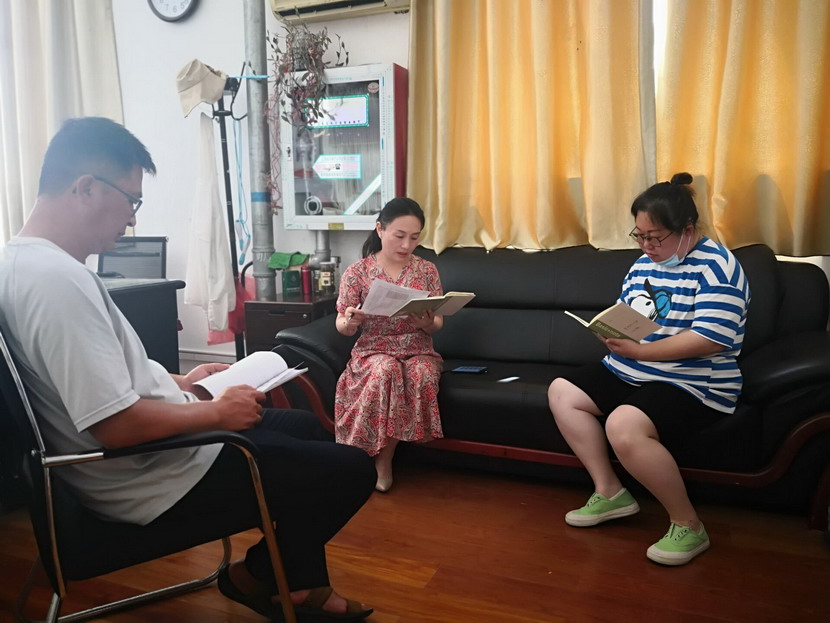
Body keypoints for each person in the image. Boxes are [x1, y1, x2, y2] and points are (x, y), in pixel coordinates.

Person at [0, 117, 376, 621]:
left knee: (306, 429)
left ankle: (298, 584)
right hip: (153, 476)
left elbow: (94, 377)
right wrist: (217, 413)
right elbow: (114, 424)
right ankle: (257, 576)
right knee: (351, 470)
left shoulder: (23, 264)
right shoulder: (56, 282)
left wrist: (180, 382)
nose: (131, 220)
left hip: (158, 452)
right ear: (86, 188)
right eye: (131, 201)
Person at [547, 172, 750, 566]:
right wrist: (613, 333)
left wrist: (641, 353)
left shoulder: (719, 266)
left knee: (622, 425)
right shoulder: (644, 264)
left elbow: (710, 339)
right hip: (634, 369)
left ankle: (688, 524)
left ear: (687, 230)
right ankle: (610, 492)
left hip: (694, 381)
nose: (646, 246)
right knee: (562, 392)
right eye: (639, 236)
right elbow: (634, 315)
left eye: (655, 237)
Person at [335, 198, 444, 493]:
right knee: (386, 370)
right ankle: (369, 459)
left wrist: (426, 323)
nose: (407, 245)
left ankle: (385, 459)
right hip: (374, 349)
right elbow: (342, 323)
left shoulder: (427, 270)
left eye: (414, 237)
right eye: (399, 235)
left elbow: (437, 323)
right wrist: (350, 321)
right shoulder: (357, 272)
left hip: (417, 347)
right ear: (380, 229)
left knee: (421, 371)